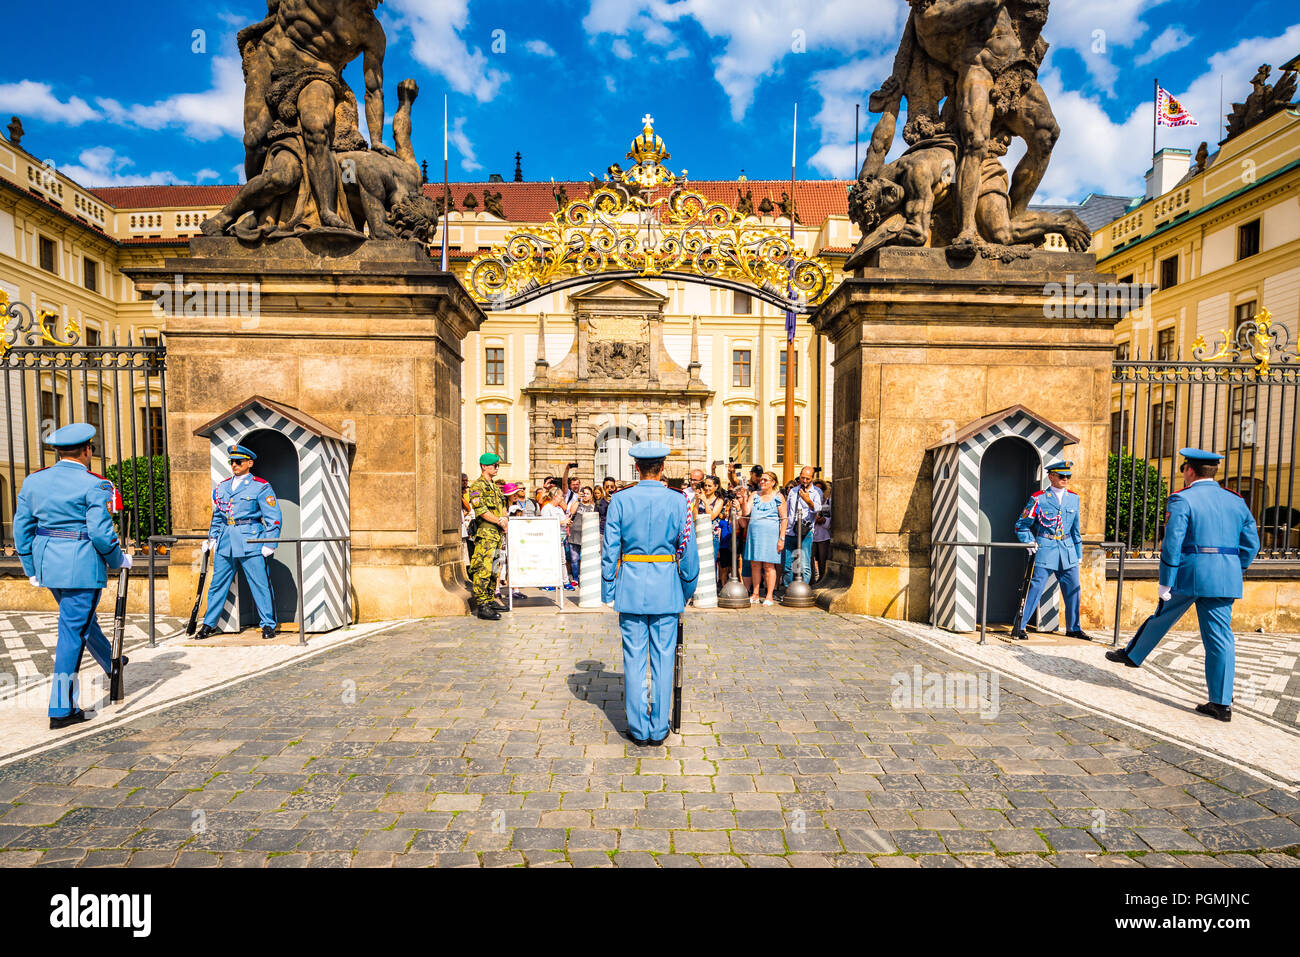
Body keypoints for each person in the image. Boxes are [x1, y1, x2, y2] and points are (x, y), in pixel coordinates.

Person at [1106, 449, 1261, 722]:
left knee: (1162, 615)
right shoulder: (1236, 501)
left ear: (1189, 470)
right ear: (1213, 472)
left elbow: (1172, 543)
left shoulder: (1182, 499)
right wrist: (1236, 568)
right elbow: (1251, 544)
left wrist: (1166, 580)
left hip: (1189, 574)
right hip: (1224, 576)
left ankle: (1133, 655)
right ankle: (1221, 704)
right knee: (1220, 639)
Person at [14, 423, 132, 730]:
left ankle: (110, 662)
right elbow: (101, 534)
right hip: (80, 566)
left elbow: (21, 528)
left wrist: (30, 568)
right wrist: (119, 559)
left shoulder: (34, 481)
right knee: (72, 634)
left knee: (79, 621)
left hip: (47, 565)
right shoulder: (95, 484)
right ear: (87, 450)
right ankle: (61, 708)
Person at [601, 442, 699, 746]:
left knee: (633, 659)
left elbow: (610, 548)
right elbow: (689, 552)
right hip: (666, 586)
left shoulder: (620, 499)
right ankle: (658, 728)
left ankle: (638, 728)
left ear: (636, 468)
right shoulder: (678, 500)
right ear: (663, 467)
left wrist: (608, 587)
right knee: (663, 657)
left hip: (630, 585)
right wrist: (687, 587)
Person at [195, 444, 283, 641]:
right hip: (226, 541)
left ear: (249, 463)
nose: (234, 465)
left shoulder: (260, 486)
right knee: (217, 584)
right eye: (232, 462)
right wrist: (212, 538)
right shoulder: (223, 486)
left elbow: (273, 516)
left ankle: (268, 624)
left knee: (260, 584)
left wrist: (270, 542)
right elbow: (217, 516)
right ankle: (209, 623)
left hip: (251, 539)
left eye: (239, 461)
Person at [1010, 460, 1090, 641]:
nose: (1065, 479)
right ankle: (1019, 626)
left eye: (1068, 476)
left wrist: (1078, 553)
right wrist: (1030, 542)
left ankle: (1074, 628)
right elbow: (1021, 525)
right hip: (1046, 548)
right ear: (1051, 476)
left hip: (1068, 549)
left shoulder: (1073, 498)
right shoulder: (1039, 498)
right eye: (1062, 476)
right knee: (1035, 588)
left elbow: (1076, 530)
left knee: (1073, 589)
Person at [467, 453, 509, 620]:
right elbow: (481, 511)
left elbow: (502, 506)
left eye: (497, 465)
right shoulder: (477, 486)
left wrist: (504, 519)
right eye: (494, 465)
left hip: (497, 534)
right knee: (483, 569)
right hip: (486, 533)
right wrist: (500, 521)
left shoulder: (494, 488)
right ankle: (482, 604)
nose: (497, 468)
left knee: (494, 569)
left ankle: (490, 599)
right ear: (484, 466)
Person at [743, 471, 787, 605]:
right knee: (755, 564)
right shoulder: (754, 495)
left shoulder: (778, 497)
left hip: (771, 535)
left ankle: (769, 596)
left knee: (769, 565)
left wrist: (781, 538)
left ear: (773, 482)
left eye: (765, 480)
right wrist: (744, 497)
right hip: (755, 534)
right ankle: (755, 594)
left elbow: (784, 519)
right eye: (761, 480)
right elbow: (746, 512)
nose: (762, 482)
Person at [782, 466, 823, 589]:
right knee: (788, 565)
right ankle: (788, 589)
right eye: (802, 477)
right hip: (790, 531)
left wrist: (808, 500)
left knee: (804, 564)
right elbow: (788, 510)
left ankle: (803, 590)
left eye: (807, 478)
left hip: (806, 532)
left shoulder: (816, 492)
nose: (804, 480)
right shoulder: (793, 491)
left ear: (812, 478)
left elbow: (817, 509)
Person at [812, 480, 831, 583]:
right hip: (812, 533)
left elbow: (831, 518)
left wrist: (823, 520)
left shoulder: (828, 502)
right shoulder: (810, 501)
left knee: (822, 559)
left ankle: (822, 579)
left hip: (824, 534)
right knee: (810, 558)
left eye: (820, 488)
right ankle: (811, 580)